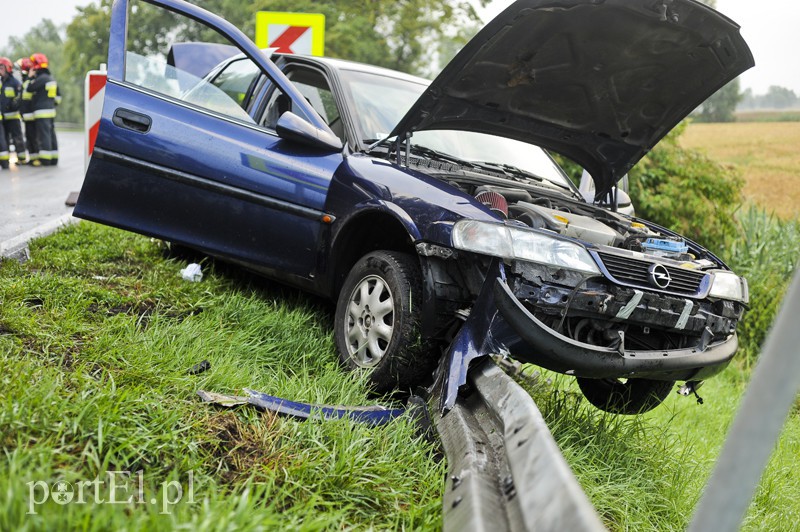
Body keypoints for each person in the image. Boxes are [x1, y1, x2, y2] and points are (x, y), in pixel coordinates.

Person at [25, 53, 59, 166]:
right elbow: (57, 99)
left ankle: (45, 160)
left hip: (41, 112)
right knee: (51, 135)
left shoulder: (40, 79)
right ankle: (54, 158)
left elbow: (29, 89)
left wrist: (29, 77)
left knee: (43, 136)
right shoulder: (50, 78)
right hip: (51, 111)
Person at [0, 56, 28, 165]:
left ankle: (22, 159)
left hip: (13, 116)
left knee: (17, 138)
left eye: (2, 67)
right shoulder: (1, 82)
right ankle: (5, 160)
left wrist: (13, 106)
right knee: (4, 139)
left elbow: (19, 97)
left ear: (8, 68)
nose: (0, 69)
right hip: (3, 117)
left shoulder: (14, 82)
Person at [15, 57, 36, 165]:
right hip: (26, 115)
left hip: (31, 115)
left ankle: (35, 158)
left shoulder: (31, 81)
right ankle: (32, 158)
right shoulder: (26, 80)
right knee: (29, 138)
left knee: (33, 137)